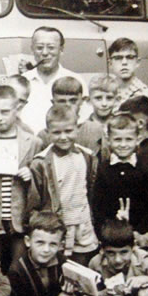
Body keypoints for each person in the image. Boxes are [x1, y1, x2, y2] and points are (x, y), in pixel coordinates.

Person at [0, 84, 42, 271]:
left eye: (5, 112)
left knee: (19, 268)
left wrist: (31, 175)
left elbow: (42, 180)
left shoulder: (33, 142)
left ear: (17, 109)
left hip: (20, 220)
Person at [27, 105, 99, 265]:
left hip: (82, 224)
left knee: (81, 269)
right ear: (47, 132)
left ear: (77, 129)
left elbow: (90, 191)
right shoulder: (41, 162)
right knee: (57, 268)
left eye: (68, 131)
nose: (63, 137)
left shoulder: (87, 157)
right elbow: (34, 202)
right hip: (55, 227)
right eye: (57, 132)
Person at [91, 113, 148, 236]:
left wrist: (140, 231)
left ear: (137, 139)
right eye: (118, 139)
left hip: (138, 234)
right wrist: (106, 229)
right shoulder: (104, 169)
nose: (123, 145)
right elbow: (98, 206)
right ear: (108, 140)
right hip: (110, 235)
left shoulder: (144, 170)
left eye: (128, 139)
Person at [19, 26, 89, 133]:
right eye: (39, 47)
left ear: (61, 50)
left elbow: (84, 118)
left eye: (51, 47)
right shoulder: (22, 82)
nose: (45, 53)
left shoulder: (75, 80)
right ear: (32, 49)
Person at [108, 37, 148, 140]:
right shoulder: (106, 92)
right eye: (118, 58)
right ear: (110, 63)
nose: (124, 62)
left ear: (137, 62)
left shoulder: (147, 95)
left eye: (129, 57)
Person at [35, 77, 89, 147]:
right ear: (53, 102)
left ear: (81, 101)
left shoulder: (93, 129)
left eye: (73, 101)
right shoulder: (44, 135)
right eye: (62, 101)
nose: (68, 105)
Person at [78, 74, 120, 155]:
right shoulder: (83, 128)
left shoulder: (122, 125)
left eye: (109, 98)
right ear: (89, 100)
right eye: (98, 98)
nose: (104, 104)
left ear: (117, 100)